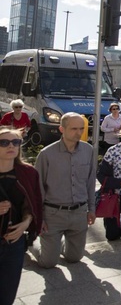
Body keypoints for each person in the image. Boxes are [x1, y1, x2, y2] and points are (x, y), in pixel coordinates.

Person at [32, 113, 95, 268]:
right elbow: (37, 187)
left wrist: (91, 209)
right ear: (62, 129)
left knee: (74, 258)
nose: (79, 133)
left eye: (81, 128)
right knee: (48, 263)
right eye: (74, 129)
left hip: (79, 213)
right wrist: (39, 218)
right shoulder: (47, 154)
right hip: (53, 213)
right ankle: (33, 243)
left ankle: (56, 245)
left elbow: (90, 182)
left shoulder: (89, 151)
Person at [0, 126, 42, 304]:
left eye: (16, 142)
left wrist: (26, 224)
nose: (11, 146)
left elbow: (33, 204)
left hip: (14, 243)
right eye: (4, 142)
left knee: (7, 294)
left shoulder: (28, 173)